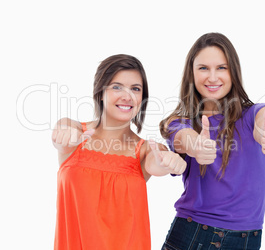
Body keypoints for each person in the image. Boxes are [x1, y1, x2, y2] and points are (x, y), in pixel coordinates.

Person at [159, 33, 265, 250]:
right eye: (203, 68)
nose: (213, 77)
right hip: (193, 235)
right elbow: (181, 137)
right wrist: (196, 145)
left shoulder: (251, 115)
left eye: (222, 68)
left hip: (247, 240)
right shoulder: (178, 121)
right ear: (191, 73)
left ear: (233, 72)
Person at [52, 54, 186, 250]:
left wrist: (169, 162)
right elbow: (62, 133)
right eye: (117, 86)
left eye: (135, 89)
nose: (127, 96)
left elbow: (156, 164)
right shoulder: (74, 132)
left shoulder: (146, 150)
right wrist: (64, 135)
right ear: (100, 91)